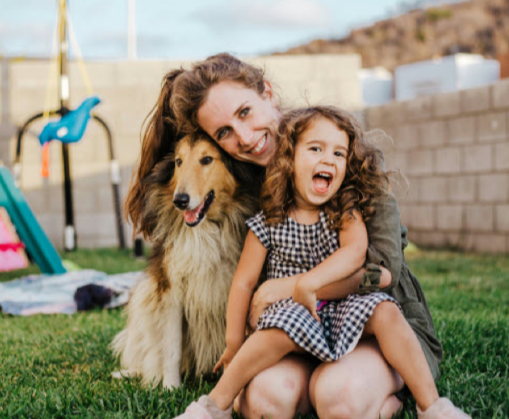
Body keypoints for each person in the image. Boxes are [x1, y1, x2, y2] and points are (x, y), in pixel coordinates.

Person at [126, 53, 466, 419]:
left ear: (267, 93)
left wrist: (289, 287)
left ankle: (399, 401)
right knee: (264, 403)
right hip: (296, 328)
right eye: (223, 132)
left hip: (374, 326)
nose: (244, 137)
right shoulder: (247, 186)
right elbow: (238, 276)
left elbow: (381, 276)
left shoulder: (339, 160)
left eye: (244, 112)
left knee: (340, 398)